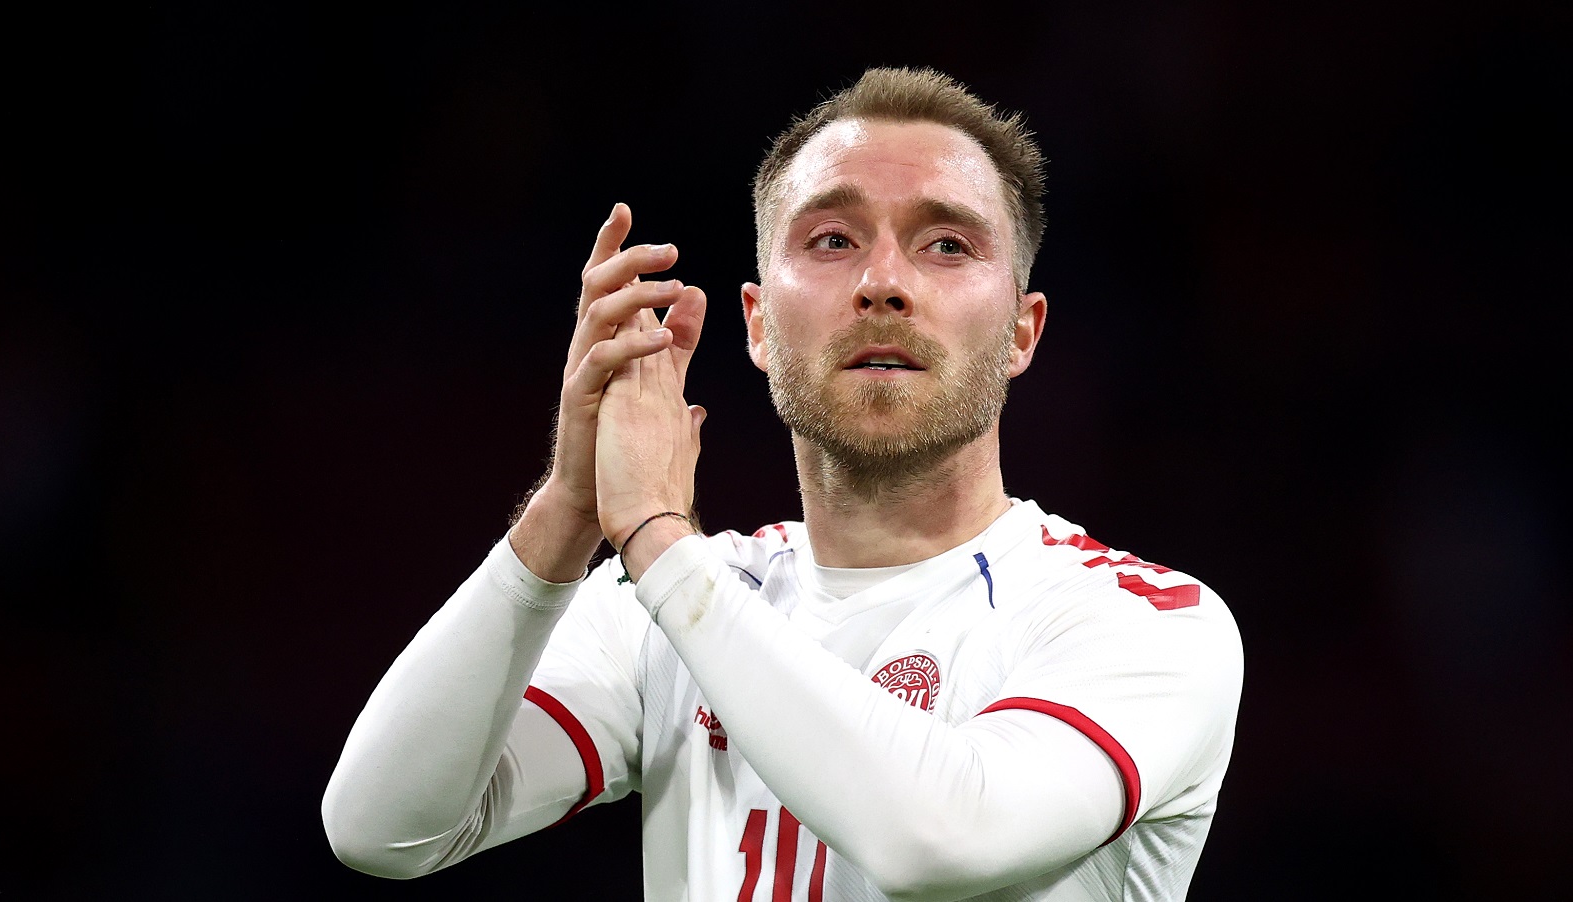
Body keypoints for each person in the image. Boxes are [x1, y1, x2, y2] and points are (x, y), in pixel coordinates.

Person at [322, 66, 1243, 901]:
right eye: (834, 239)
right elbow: (382, 828)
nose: (884, 282)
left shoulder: (1142, 621)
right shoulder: (665, 605)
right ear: (758, 326)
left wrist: (654, 536)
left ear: (1021, 333)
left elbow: (945, 840)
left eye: (947, 246)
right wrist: (568, 511)